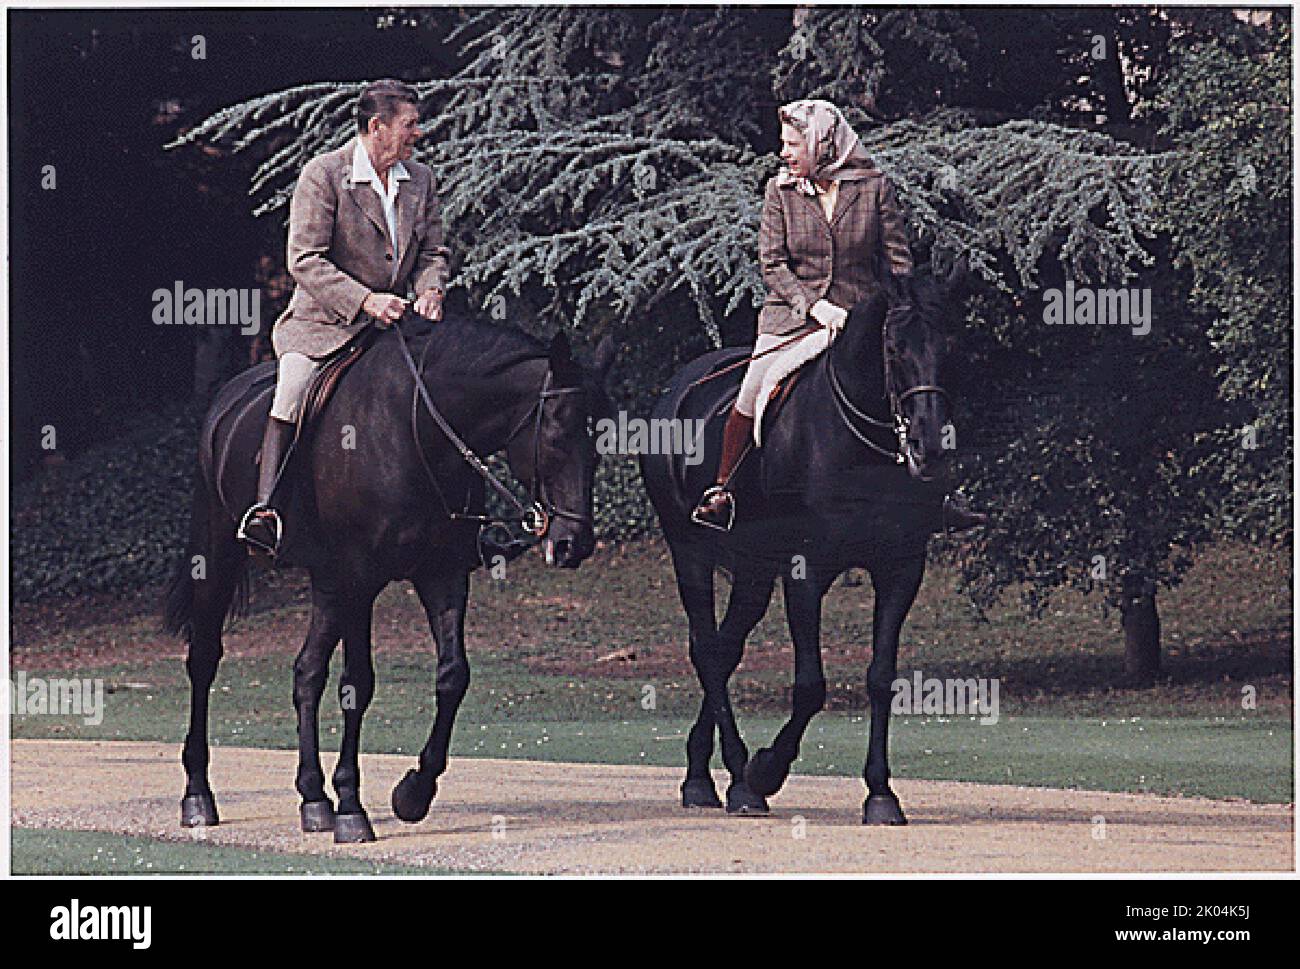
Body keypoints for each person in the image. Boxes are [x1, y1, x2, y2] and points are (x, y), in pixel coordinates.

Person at [691, 98, 986, 533]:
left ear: (822, 144)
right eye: (784, 143)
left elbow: (897, 260)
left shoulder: (874, 188)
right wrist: (812, 305)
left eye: (793, 144)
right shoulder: (780, 191)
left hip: (862, 319)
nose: (784, 152)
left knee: (922, 379)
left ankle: (942, 493)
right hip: (791, 319)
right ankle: (724, 491)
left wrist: (904, 308)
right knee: (753, 390)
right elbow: (772, 264)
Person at [237, 79, 451, 556]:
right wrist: (364, 301)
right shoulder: (324, 175)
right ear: (377, 127)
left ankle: (454, 516)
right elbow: (305, 260)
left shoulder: (421, 179)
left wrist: (430, 288)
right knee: (292, 389)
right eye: (409, 125)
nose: (418, 133)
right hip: (324, 324)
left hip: (396, 323)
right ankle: (267, 510)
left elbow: (433, 251)